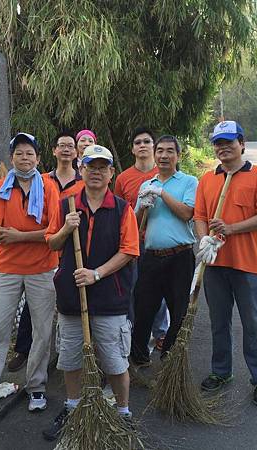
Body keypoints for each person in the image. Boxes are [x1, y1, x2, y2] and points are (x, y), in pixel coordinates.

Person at [42, 144, 139, 441]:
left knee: (114, 360)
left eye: (102, 167)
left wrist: (96, 274)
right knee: (71, 358)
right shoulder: (66, 205)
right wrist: (65, 229)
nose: (96, 172)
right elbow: (51, 243)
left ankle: (123, 412)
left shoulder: (122, 208)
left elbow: (129, 251)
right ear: (81, 170)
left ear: (111, 173)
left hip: (111, 297)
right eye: (90, 167)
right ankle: (72, 408)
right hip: (72, 297)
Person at [0, 132, 59, 416]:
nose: (25, 157)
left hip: (43, 268)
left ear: (39, 158)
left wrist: (17, 235)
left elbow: (54, 233)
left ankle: (37, 386)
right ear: (11, 158)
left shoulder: (49, 188)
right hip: (6, 268)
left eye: (30, 153)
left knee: (43, 331)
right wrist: (32, 235)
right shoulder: (1, 188)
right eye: (19, 153)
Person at [194, 120, 257, 407]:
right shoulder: (208, 179)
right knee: (219, 322)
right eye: (218, 143)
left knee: (254, 324)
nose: (223, 148)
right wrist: (205, 239)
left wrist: (231, 228)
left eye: (229, 142)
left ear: (241, 143)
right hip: (215, 265)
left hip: (246, 265)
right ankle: (221, 372)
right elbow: (200, 216)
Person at [7, 131, 85, 372]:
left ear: (75, 152)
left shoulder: (84, 181)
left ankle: (68, 352)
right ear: (53, 151)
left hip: (74, 250)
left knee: (72, 302)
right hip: (44, 252)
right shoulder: (41, 180)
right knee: (34, 306)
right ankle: (23, 349)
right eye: (61, 145)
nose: (65, 150)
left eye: (70, 146)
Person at [130, 135, 198, 366]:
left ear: (178, 156)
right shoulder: (146, 185)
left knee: (178, 311)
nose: (164, 155)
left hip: (180, 256)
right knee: (142, 309)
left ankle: (169, 358)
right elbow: (136, 224)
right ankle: (138, 358)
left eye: (170, 151)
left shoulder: (189, 182)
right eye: (160, 151)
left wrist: (162, 194)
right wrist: (143, 206)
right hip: (151, 257)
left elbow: (187, 213)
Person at [114, 127, 169, 349]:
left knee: (158, 290)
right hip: (133, 241)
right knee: (133, 288)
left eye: (147, 141)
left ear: (154, 147)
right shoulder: (123, 178)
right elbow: (118, 212)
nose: (142, 145)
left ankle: (160, 332)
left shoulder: (164, 175)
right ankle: (134, 331)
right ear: (133, 149)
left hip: (158, 242)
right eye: (138, 142)